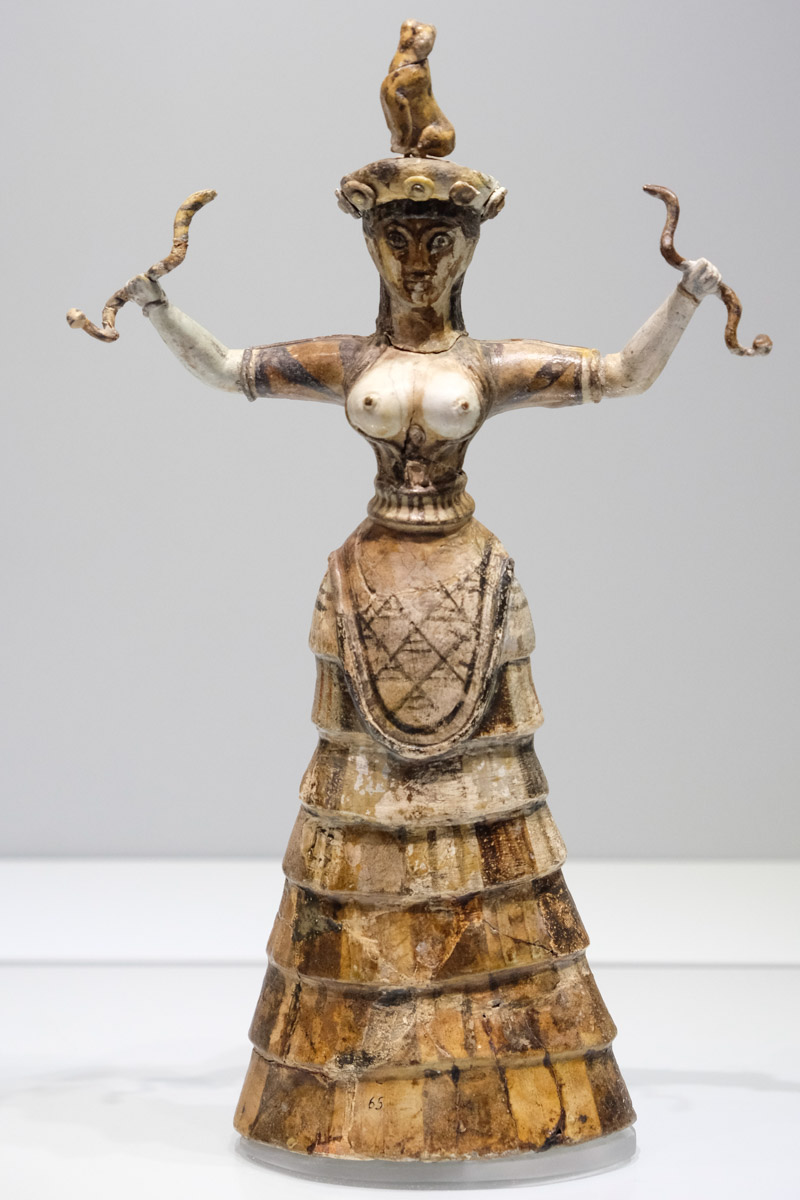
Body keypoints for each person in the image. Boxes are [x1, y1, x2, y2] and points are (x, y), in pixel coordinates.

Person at [124, 157, 719, 1166]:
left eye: (437, 240)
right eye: (394, 240)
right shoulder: (347, 358)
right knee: (363, 798)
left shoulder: (488, 365)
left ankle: (505, 1077)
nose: (415, 260)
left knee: (483, 802)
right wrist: (155, 306)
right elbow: (227, 367)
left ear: (468, 248)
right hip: (369, 577)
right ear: (369, 246)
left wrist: (686, 297)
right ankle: (351, 1093)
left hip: (465, 577)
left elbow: (620, 374)